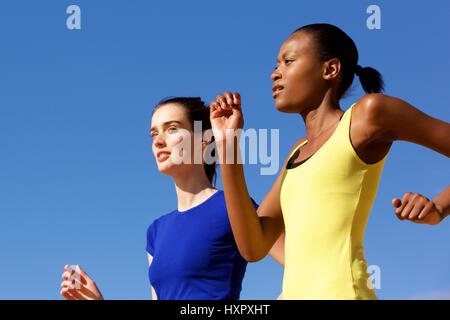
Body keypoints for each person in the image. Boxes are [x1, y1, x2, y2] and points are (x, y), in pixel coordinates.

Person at [209, 23, 450, 300]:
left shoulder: (369, 114)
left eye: (288, 61)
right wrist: (228, 144)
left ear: (330, 70)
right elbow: (253, 247)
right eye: (276, 65)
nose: (275, 73)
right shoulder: (296, 153)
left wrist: (439, 209)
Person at [60, 97, 260, 300]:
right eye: (154, 133)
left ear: (204, 139)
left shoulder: (230, 206)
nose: (158, 141)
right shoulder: (156, 231)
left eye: (172, 129)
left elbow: (293, 265)